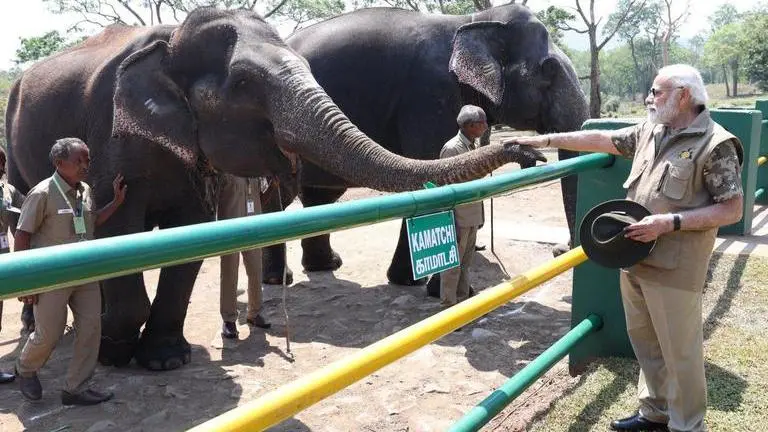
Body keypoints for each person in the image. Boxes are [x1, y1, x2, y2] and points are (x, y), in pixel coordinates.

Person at [506, 64, 744, 432]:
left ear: (684, 96)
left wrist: (670, 223)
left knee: (679, 350)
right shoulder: (652, 130)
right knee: (645, 342)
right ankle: (655, 412)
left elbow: (731, 208)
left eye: (657, 92)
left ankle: (687, 425)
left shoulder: (715, 143)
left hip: (676, 265)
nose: (649, 98)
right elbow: (603, 140)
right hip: (633, 257)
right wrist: (547, 141)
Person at [14, 137, 127, 405]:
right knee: (49, 333)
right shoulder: (42, 193)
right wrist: (26, 284)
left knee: (90, 327)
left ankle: (76, 388)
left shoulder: (85, 190)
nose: (85, 165)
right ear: (59, 163)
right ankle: (26, 368)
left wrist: (116, 203)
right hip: (52, 275)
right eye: (79, 160)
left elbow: (91, 222)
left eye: (87, 159)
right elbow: (22, 236)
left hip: (85, 273)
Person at [438, 105, 488, 309]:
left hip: (472, 215)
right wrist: (451, 220)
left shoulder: (471, 146)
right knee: (452, 267)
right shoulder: (452, 149)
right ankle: (448, 308)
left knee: (465, 265)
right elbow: (445, 186)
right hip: (458, 218)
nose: (485, 127)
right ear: (470, 126)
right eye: (482, 123)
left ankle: (462, 306)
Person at [217, 174, 271, 340]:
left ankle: (255, 313)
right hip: (230, 231)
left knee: (256, 270)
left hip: (253, 228)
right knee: (229, 272)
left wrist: (273, 182)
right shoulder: (223, 168)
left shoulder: (255, 170)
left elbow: (264, 195)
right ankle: (229, 320)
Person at [0, 147, 25, 384]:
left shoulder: (9, 191)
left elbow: (30, 208)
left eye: (1, 163)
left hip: (2, 262)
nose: (0, 168)